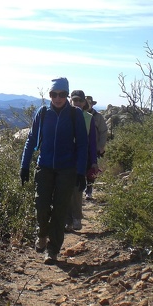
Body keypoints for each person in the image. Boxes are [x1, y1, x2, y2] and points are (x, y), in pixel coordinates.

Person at [20, 77, 88, 264]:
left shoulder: (75, 115)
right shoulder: (42, 113)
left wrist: (81, 172)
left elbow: (82, 145)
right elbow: (31, 140)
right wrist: (24, 166)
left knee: (59, 211)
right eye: (53, 94)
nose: (58, 98)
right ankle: (42, 234)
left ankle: (53, 250)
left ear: (67, 94)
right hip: (45, 167)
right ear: (49, 95)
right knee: (41, 206)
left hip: (67, 169)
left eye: (62, 94)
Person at [66, 90, 97, 231]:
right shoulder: (64, 115)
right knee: (64, 189)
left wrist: (94, 161)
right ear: (71, 101)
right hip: (65, 157)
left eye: (80, 100)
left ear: (84, 102)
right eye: (75, 100)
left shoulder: (89, 118)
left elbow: (92, 142)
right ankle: (68, 220)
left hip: (81, 158)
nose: (77, 103)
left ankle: (76, 217)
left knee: (77, 189)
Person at [85, 95, 108, 200]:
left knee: (91, 169)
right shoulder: (79, 114)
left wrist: (101, 146)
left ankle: (89, 190)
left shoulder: (98, 117)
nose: (87, 104)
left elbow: (103, 132)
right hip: (81, 147)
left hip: (94, 148)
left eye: (89, 102)